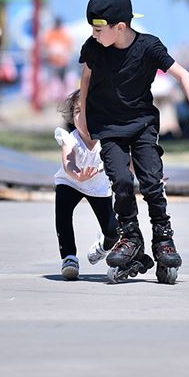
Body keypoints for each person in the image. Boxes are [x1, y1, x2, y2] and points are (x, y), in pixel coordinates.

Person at [75, 0, 189, 284]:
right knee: (121, 181)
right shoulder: (94, 48)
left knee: (151, 182)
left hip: (142, 126)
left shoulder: (149, 47)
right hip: (109, 128)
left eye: (98, 29)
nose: (94, 34)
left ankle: (163, 237)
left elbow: (184, 75)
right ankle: (131, 236)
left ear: (120, 27)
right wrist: (82, 114)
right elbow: (86, 77)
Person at [53, 90, 119, 280]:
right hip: (70, 182)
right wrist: (77, 174)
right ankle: (69, 258)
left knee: (113, 231)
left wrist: (150, 176)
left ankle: (103, 245)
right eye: (76, 111)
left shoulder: (108, 141)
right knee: (63, 215)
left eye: (87, 111)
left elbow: (128, 162)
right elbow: (68, 162)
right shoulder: (70, 138)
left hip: (98, 187)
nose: (81, 117)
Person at [44, 17, 74, 99]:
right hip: (53, 63)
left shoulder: (64, 33)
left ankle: (64, 97)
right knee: (54, 81)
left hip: (63, 63)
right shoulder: (50, 34)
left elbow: (69, 47)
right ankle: (55, 97)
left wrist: (64, 53)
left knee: (64, 80)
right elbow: (46, 47)